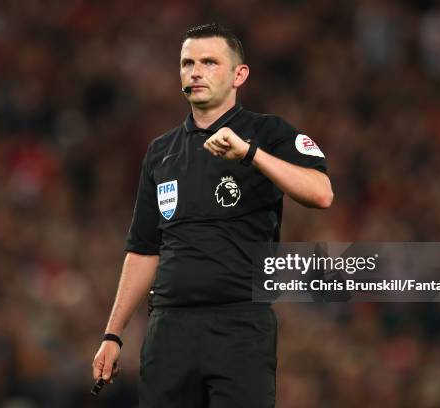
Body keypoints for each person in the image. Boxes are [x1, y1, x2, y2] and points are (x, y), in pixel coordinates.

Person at [92, 23, 333, 407]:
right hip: (169, 329)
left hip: (240, 325)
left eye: (209, 62)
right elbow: (143, 249)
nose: (196, 71)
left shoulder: (267, 132)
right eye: (188, 63)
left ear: (239, 74)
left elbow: (321, 193)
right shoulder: (161, 152)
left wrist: (250, 154)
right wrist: (112, 334)